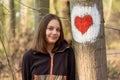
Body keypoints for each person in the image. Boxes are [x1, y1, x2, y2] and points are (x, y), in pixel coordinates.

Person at [21, 14, 75, 80]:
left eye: (58, 30)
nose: (55, 32)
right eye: (50, 28)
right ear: (42, 30)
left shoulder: (68, 53)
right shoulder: (29, 56)